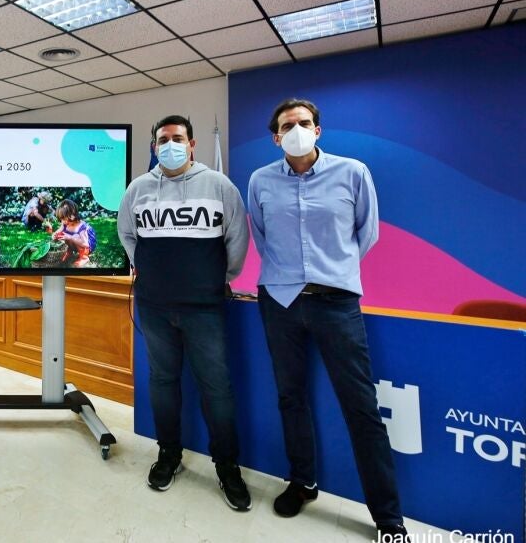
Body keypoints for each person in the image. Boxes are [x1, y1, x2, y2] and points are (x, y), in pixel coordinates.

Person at [247, 99, 408, 541]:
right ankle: (303, 482)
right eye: (287, 126)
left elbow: (366, 233)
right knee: (291, 397)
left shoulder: (352, 172)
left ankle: (388, 518)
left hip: (336, 302)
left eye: (304, 123)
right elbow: (261, 235)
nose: (296, 130)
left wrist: (332, 269)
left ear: (318, 130)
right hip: (280, 300)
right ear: (276, 137)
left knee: (361, 407)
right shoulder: (260, 180)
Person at [117, 115, 251, 510]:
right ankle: (169, 454)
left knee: (216, 388)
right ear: (154, 146)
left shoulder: (219, 186)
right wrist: (148, 268)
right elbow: (127, 234)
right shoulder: (138, 189)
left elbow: (237, 240)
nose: (170, 145)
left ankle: (227, 467)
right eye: (163, 140)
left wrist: (217, 278)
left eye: (178, 138)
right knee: (162, 381)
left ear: (192, 144)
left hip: (205, 308)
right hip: (154, 306)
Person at [52, 199, 96, 267]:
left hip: (87, 246)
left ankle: (84, 258)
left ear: (72, 216)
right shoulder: (65, 224)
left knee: (74, 236)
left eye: (63, 219)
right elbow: (58, 231)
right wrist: (55, 235)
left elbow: (86, 244)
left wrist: (70, 237)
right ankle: (70, 252)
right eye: (61, 219)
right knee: (65, 235)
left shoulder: (81, 227)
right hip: (76, 244)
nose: (62, 222)